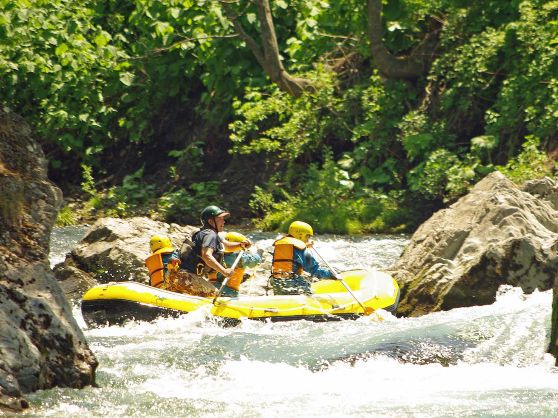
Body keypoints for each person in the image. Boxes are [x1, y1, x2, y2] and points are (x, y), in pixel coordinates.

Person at [181, 205, 250, 289]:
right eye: (220, 219)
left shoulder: (205, 233)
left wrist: (240, 245)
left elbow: (226, 246)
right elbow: (206, 255)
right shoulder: (210, 234)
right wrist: (224, 271)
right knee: (214, 294)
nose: (223, 222)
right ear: (210, 221)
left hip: (182, 276)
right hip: (188, 278)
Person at [270, 220, 334, 295]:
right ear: (300, 235)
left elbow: (291, 257)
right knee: (310, 287)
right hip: (294, 287)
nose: (308, 240)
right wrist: (331, 274)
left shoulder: (279, 246)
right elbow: (314, 270)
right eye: (307, 236)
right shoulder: (302, 250)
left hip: (277, 286)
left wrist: (305, 246)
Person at [214, 231, 264, 297]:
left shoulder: (215, 255)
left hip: (212, 289)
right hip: (230, 293)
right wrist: (260, 252)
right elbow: (255, 261)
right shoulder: (239, 257)